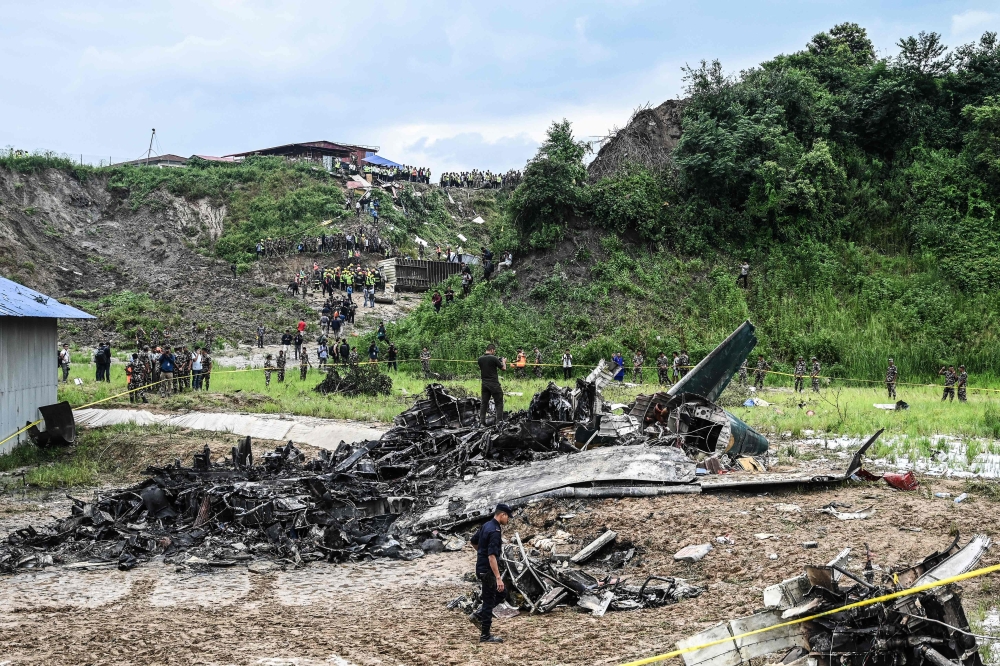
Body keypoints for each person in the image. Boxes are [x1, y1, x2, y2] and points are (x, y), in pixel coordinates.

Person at [468, 503, 512, 644]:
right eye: (508, 517)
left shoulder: (486, 525)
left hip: (481, 568)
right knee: (489, 599)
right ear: (502, 515)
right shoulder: (495, 531)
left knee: (501, 593)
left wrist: (481, 553)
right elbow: (492, 556)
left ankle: (479, 615)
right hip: (488, 571)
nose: (508, 520)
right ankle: (485, 635)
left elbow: (473, 541)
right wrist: (498, 577)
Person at [478, 344, 507, 425]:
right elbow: (503, 368)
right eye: (494, 351)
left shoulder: (480, 359)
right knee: (499, 402)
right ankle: (499, 422)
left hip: (484, 384)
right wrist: (504, 362)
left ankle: (482, 422)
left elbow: (488, 365)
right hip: (494, 384)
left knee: (484, 403)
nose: (494, 353)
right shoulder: (493, 358)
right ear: (491, 350)